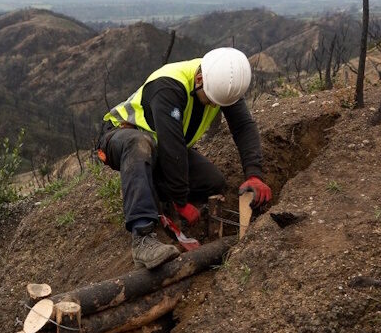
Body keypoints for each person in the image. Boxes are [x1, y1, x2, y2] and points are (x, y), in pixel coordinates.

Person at [98, 47, 272, 270]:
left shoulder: (222, 84)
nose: (213, 105)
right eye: (210, 100)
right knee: (140, 144)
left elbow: (243, 126)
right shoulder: (168, 86)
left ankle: (157, 197)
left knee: (214, 182)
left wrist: (254, 174)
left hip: (159, 146)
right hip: (120, 138)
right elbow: (172, 148)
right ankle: (142, 237)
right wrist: (181, 200)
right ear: (199, 79)